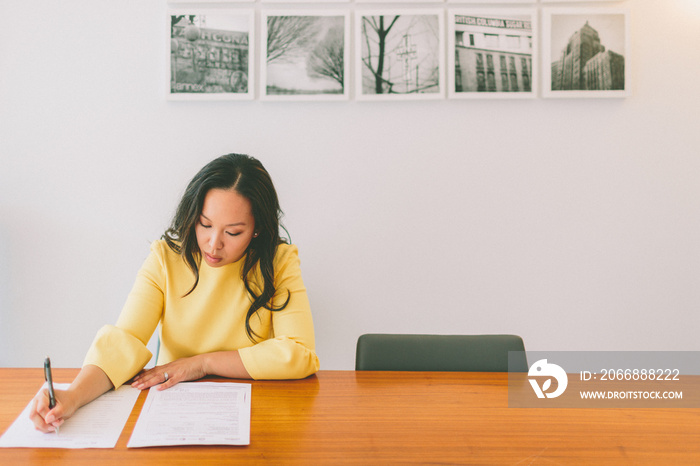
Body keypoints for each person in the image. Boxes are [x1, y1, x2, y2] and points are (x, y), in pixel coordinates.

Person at [30, 153, 319, 433]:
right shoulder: (166, 258)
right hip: (170, 408)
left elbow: (299, 353)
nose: (213, 244)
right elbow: (124, 342)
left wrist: (202, 364)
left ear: (257, 229)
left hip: (256, 409)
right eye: (204, 225)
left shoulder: (277, 261)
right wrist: (72, 396)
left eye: (233, 233)